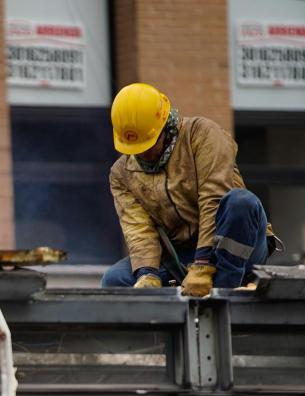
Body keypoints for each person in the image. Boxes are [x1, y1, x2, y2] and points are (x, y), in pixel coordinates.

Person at [102, 83, 277, 296]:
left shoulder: (202, 135)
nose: (142, 154)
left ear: (165, 127)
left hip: (240, 243)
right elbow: (139, 230)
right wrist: (147, 274)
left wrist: (203, 265)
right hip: (182, 254)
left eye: (148, 145)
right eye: (136, 149)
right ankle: (164, 326)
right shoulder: (122, 174)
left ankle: (223, 291)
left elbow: (213, 198)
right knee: (114, 280)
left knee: (241, 202)